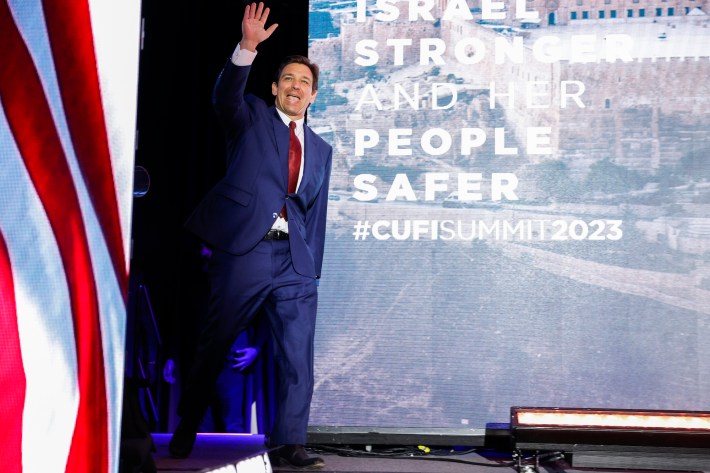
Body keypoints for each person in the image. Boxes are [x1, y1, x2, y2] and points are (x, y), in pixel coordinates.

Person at [168, 2, 332, 469]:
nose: (296, 87)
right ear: (275, 88)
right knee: (215, 343)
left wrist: (311, 269)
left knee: (298, 358)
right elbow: (224, 97)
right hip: (246, 251)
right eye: (289, 80)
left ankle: (289, 443)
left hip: (294, 264)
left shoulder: (321, 149)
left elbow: (313, 213)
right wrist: (247, 47)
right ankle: (186, 427)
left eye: (305, 83)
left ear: (313, 96)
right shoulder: (252, 117)